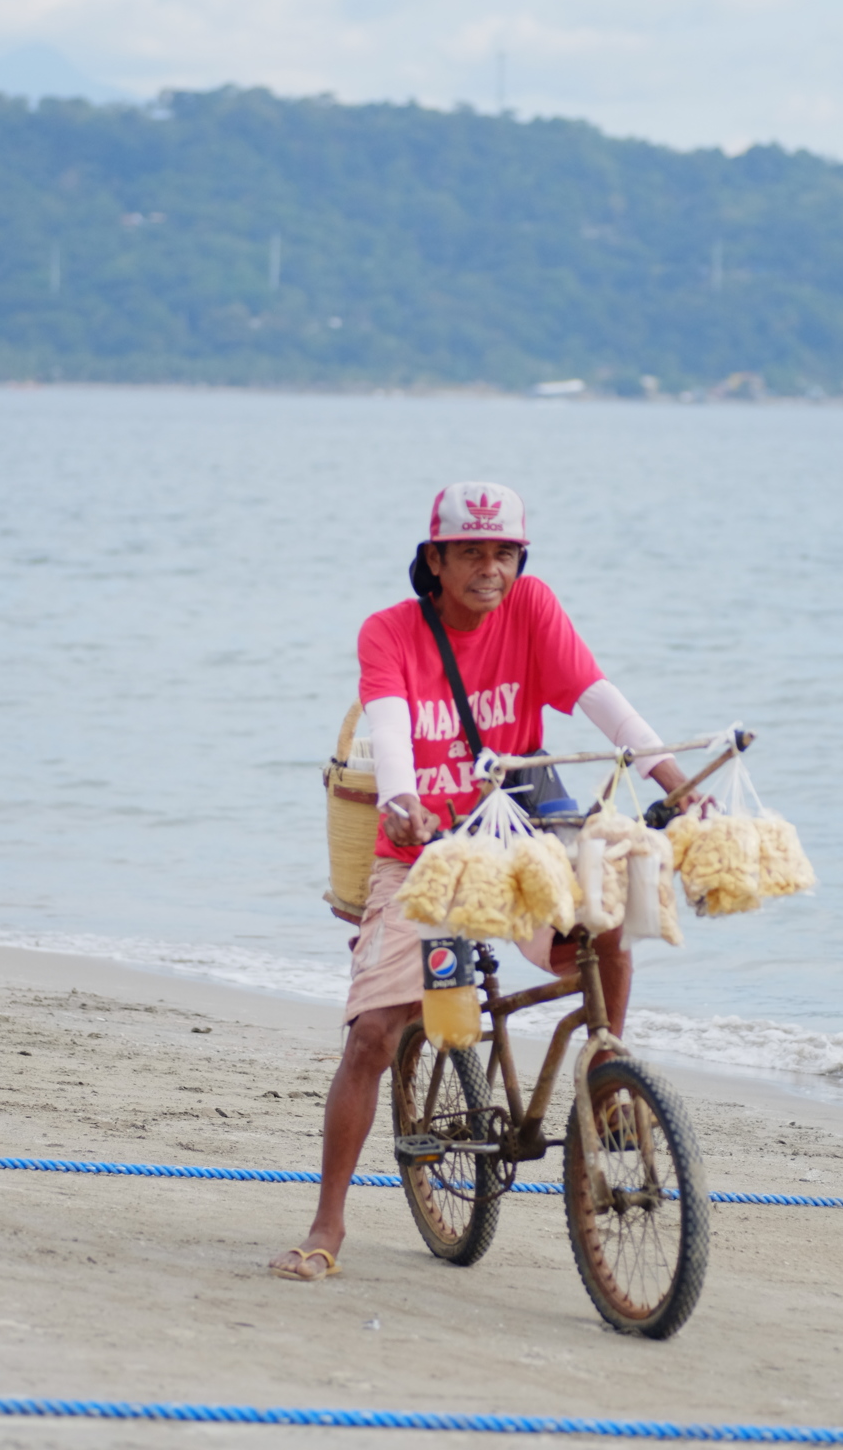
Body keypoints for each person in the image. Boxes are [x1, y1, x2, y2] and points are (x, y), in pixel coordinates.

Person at [270, 481, 697, 1281]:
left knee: (607, 915)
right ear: (435, 560)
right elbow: (391, 730)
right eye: (471, 552)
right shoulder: (390, 632)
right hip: (423, 851)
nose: (490, 569)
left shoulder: (532, 607)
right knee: (373, 1035)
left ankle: (607, 1082)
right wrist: (401, 802)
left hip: (519, 835)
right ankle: (327, 1226)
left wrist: (677, 780)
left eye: (504, 553)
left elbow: (603, 702)